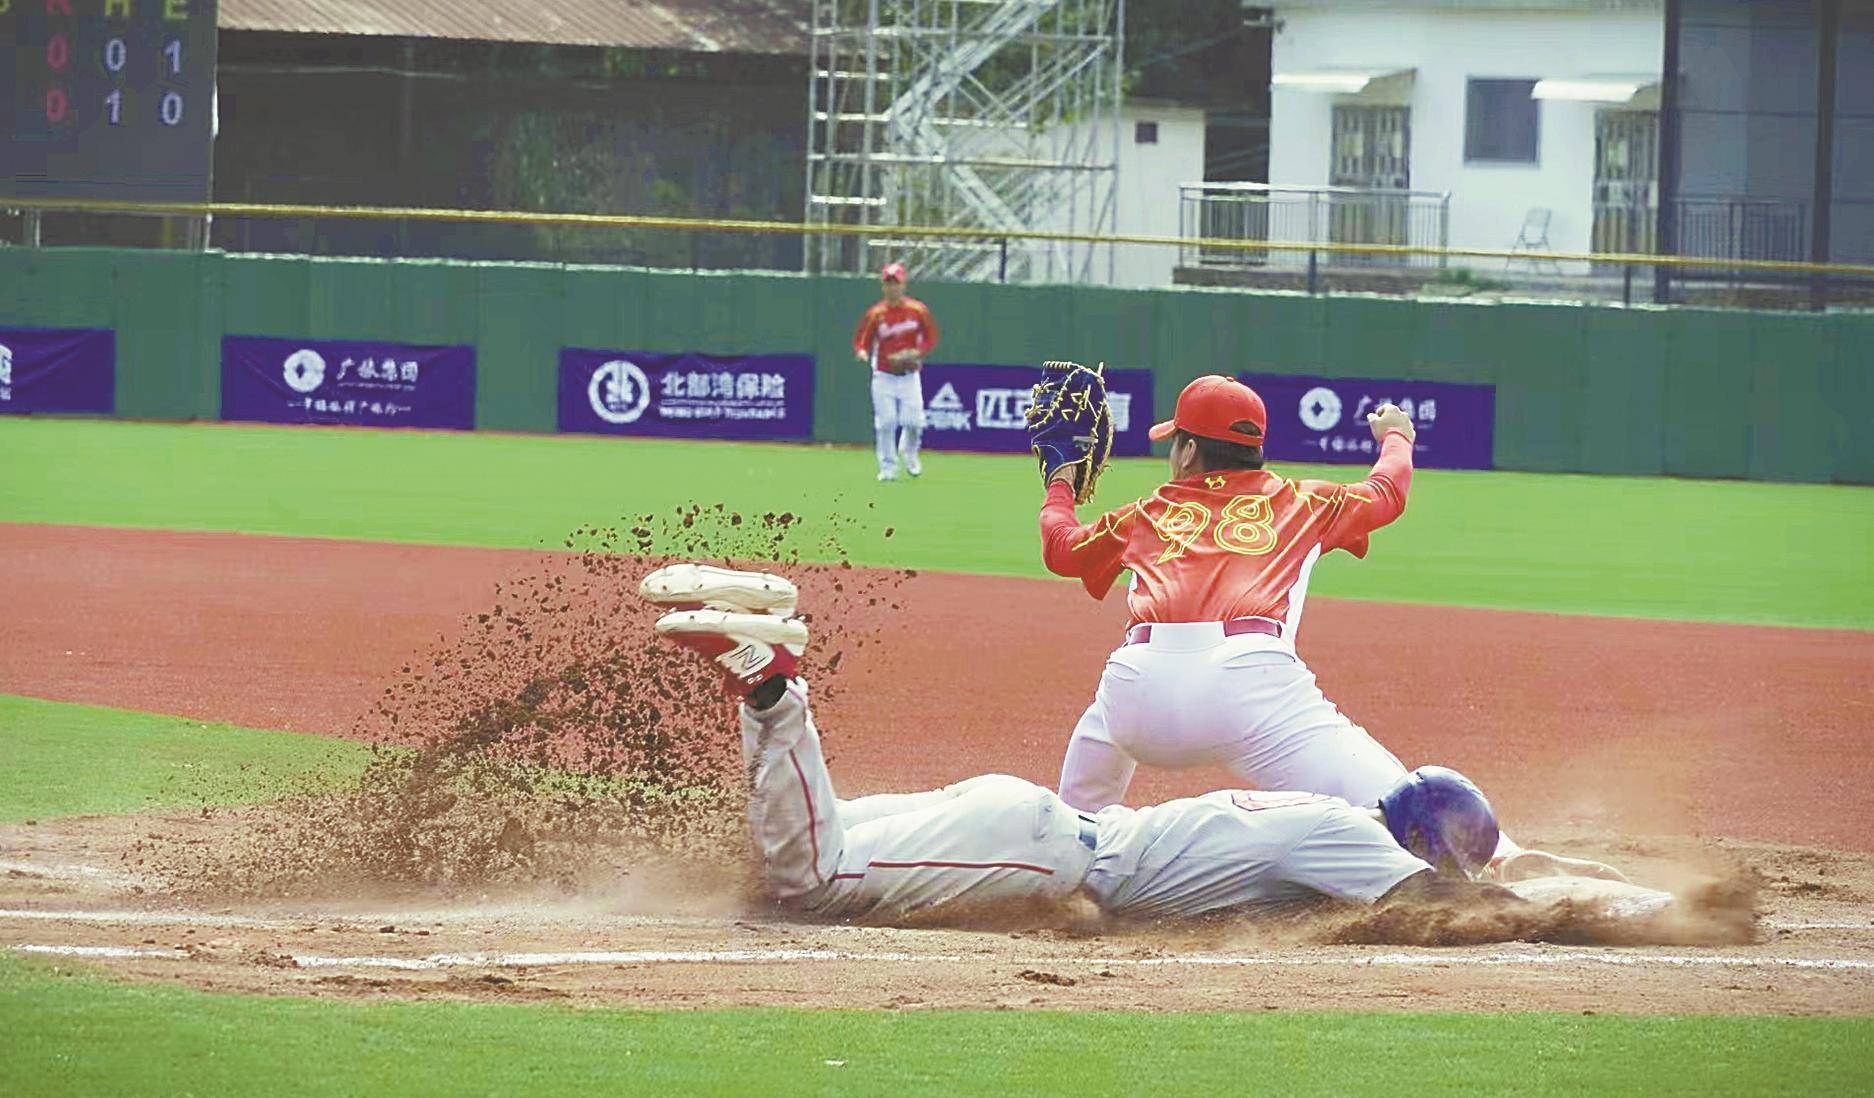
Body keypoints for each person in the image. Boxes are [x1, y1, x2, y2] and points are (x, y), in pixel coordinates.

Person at [638, 562, 1526, 925]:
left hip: (1031, 824)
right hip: (1044, 853)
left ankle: (765, 637)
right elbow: (1447, 910)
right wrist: (1587, 912)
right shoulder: (1353, 840)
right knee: (809, 882)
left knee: (799, 850)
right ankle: (770, 683)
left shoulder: (1327, 821)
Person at [1038, 375, 1615, 883]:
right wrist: (1397, 434)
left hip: (1134, 693)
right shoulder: (1306, 501)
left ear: (1188, 452)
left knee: (1090, 775)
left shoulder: (1145, 513)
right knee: (1393, 793)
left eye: (1175, 442)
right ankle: (1502, 862)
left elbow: (1062, 549)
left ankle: (1063, 855)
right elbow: (1388, 492)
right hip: (1249, 691)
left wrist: (1060, 482)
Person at [851, 262, 938, 482]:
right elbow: (861, 340)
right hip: (884, 376)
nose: (892, 288)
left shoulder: (917, 311)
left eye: (895, 283)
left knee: (915, 422)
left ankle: (909, 452)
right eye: (888, 283)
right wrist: (862, 352)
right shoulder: (876, 313)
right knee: (886, 422)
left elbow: (931, 337)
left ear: (903, 285)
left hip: (909, 376)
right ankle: (888, 467)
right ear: (883, 286)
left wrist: (915, 353)